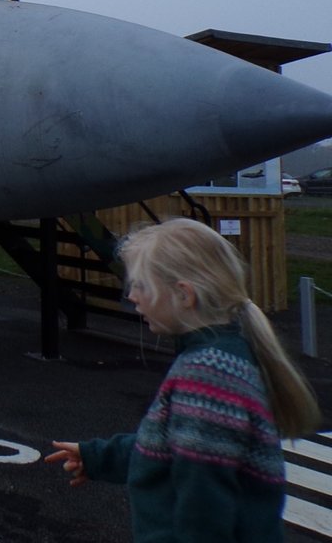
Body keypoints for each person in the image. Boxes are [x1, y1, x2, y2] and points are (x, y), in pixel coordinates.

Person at [46, 217, 322, 541]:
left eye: (141, 285)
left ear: (184, 295)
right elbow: (171, 447)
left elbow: (204, 504)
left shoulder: (207, 376)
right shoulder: (223, 355)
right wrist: (98, 457)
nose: (132, 296)